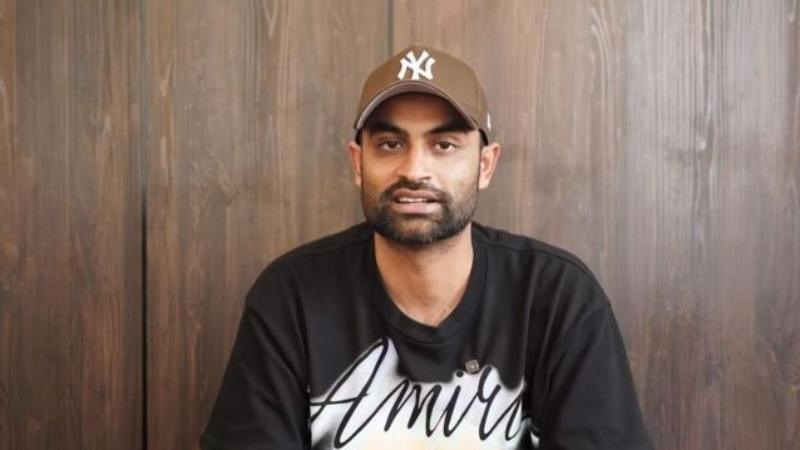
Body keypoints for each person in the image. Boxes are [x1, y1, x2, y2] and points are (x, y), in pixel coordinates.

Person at [200, 44, 654, 450]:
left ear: (486, 164)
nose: (415, 169)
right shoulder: (291, 297)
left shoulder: (557, 298)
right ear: (358, 162)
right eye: (390, 143)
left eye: (444, 144)